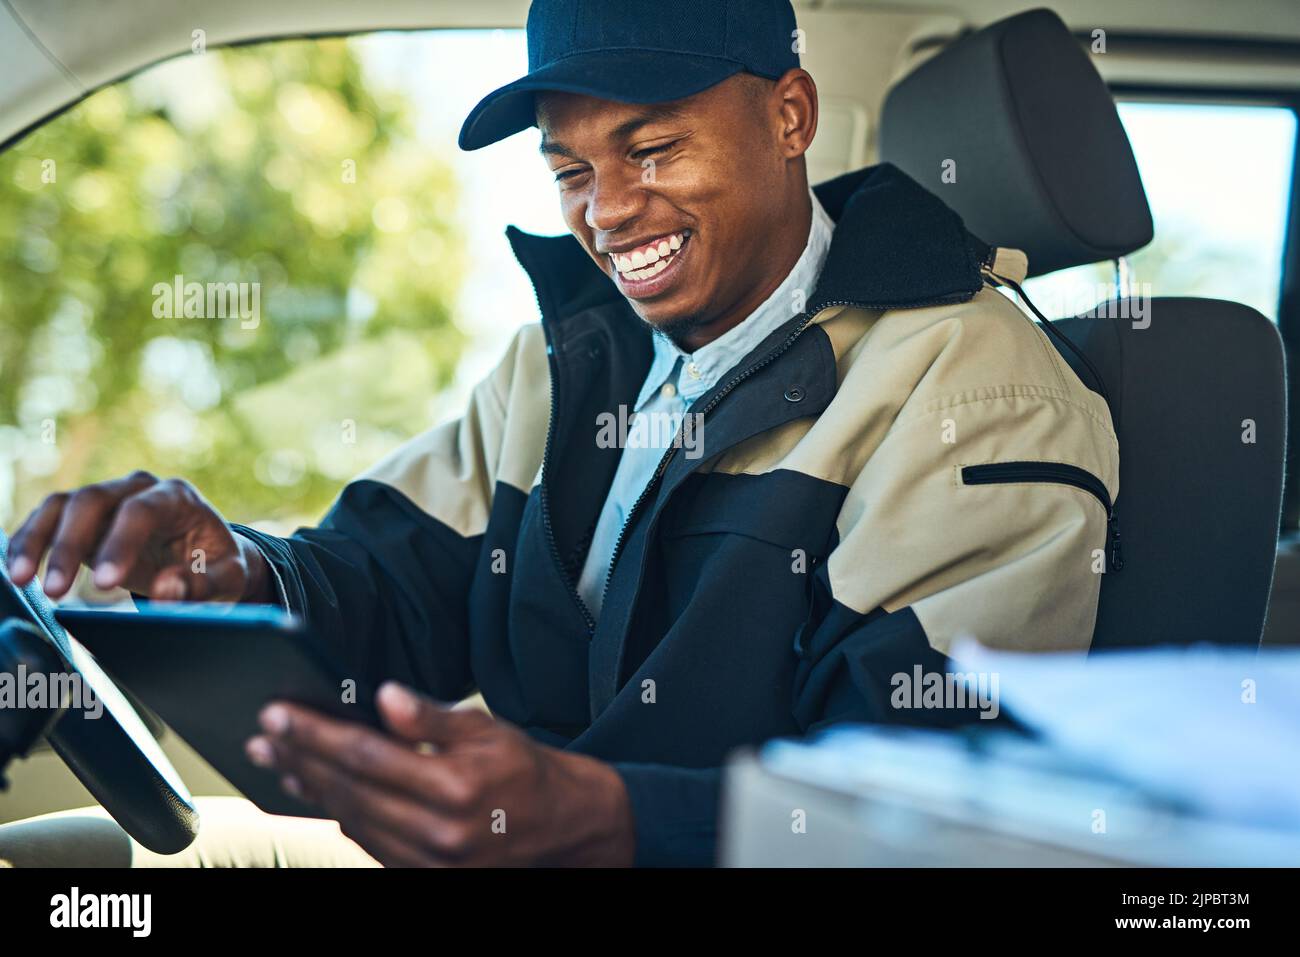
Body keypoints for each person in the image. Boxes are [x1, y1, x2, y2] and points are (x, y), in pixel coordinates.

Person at [1, 0, 1118, 867]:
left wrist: (612, 821)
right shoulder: (569, 358)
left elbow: (936, 813)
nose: (608, 210)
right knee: (63, 869)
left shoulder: (973, 389)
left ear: (790, 115)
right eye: (572, 170)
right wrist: (237, 575)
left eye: (654, 149)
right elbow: (396, 586)